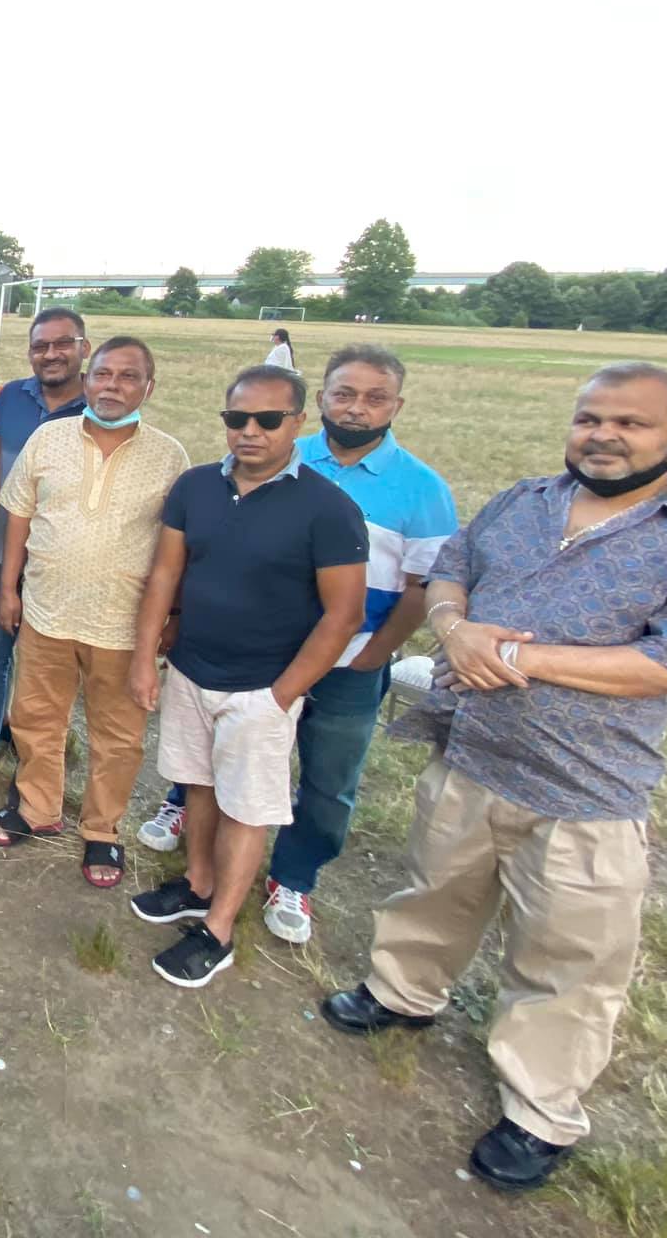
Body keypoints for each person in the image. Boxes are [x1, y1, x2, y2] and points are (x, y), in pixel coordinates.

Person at [322, 363, 667, 1193]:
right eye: (591, 418)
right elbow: (452, 567)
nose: (604, 435)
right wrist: (454, 626)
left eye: (630, 423)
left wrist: (516, 657)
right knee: (434, 890)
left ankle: (539, 1108)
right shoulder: (523, 502)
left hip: (586, 786)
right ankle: (402, 992)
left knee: (569, 954)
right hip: (474, 752)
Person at [126, 365, 367, 988]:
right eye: (237, 419)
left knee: (246, 808)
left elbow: (343, 615)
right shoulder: (196, 487)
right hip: (190, 671)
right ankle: (197, 884)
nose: (250, 431)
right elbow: (166, 574)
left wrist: (282, 694)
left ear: (299, 421)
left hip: (262, 687)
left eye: (268, 419)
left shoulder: (328, 509)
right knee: (199, 785)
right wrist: (145, 656)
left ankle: (220, 930)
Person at [253, 345, 458, 945]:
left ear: (397, 405)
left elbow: (424, 585)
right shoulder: (278, 456)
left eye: (375, 398)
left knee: (329, 776)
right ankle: (185, 810)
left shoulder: (423, 490)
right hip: (262, 646)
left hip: (350, 660)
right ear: (320, 398)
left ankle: (295, 874)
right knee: (233, 743)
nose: (357, 408)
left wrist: (376, 651)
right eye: (344, 394)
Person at [0, 338, 190, 890]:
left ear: (149, 387)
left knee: (118, 735)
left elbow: (177, 549)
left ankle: (102, 828)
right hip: (46, 611)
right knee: (36, 718)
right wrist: (8, 590)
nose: (112, 386)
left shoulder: (170, 457)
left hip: (123, 625)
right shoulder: (49, 438)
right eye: (102, 374)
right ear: (87, 378)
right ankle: (37, 807)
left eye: (128, 376)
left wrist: (172, 616)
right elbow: (19, 517)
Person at [0, 308, 90, 767]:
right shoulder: (13, 396)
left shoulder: (99, 405)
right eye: (41, 346)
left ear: (84, 348)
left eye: (62, 344)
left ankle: (37, 750)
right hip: (4, 553)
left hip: (62, 564)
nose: (51, 354)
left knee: (46, 669)